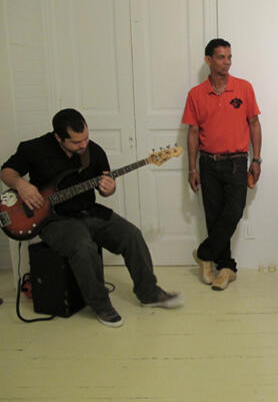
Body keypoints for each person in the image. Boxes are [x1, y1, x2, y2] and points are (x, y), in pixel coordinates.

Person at [0, 109, 183, 327]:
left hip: (88, 211)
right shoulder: (33, 148)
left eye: (86, 137)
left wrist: (109, 188)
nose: (83, 145)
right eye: (76, 142)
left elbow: (106, 188)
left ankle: (149, 293)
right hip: (53, 220)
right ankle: (101, 305)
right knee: (82, 246)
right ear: (59, 137)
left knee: (131, 234)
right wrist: (22, 185)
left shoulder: (94, 152)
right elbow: (7, 172)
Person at [183, 38, 262, 291]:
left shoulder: (244, 88)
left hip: (237, 162)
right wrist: (192, 168)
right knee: (214, 217)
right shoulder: (196, 94)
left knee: (234, 212)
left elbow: (254, 124)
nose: (226, 62)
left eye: (229, 57)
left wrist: (257, 159)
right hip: (207, 163)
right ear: (208, 60)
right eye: (220, 57)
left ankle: (204, 254)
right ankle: (226, 268)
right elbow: (193, 132)